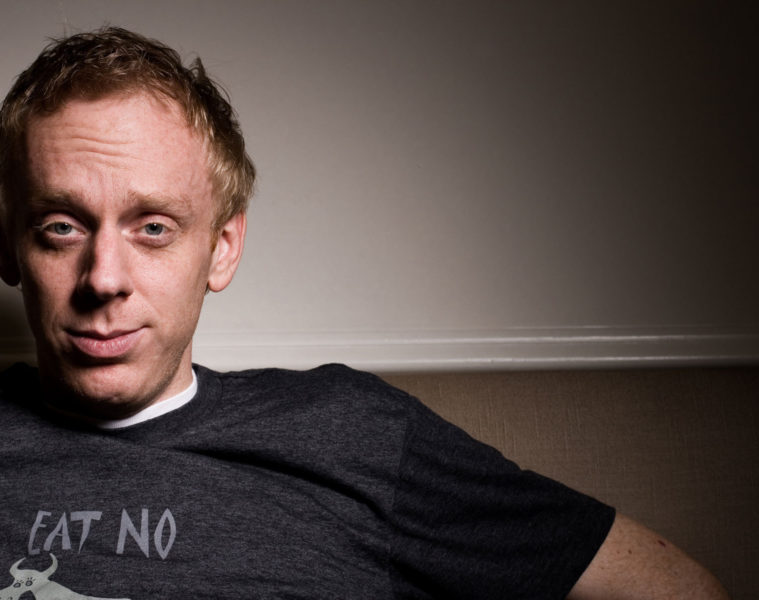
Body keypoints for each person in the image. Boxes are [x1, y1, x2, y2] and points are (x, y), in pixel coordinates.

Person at [0, 27, 728, 599]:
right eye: (61, 227)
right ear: (9, 247)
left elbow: (677, 588)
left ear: (221, 249)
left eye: (154, 227)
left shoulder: (352, 430)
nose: (104, 278)